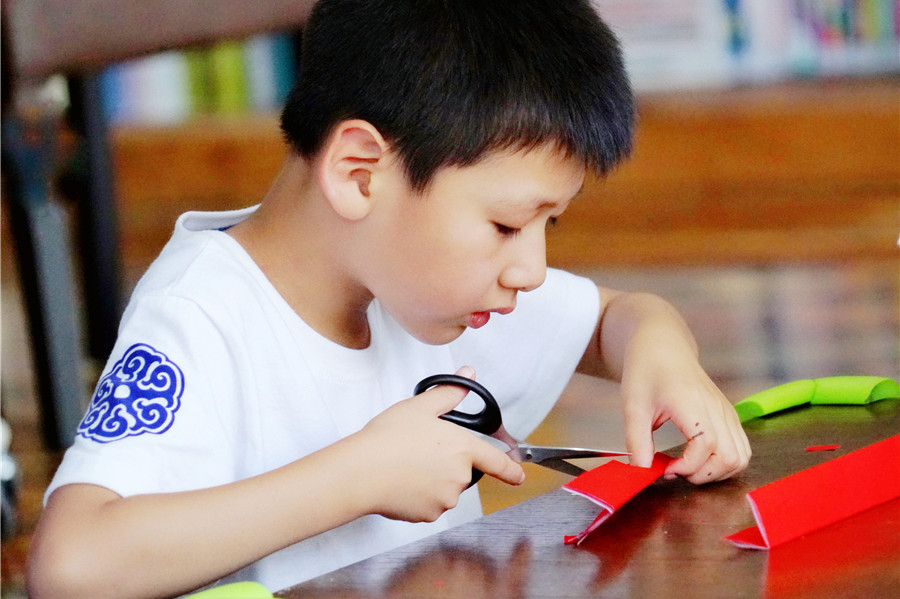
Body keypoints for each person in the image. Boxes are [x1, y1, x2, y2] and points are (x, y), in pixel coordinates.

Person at [27, 0, 751, 597]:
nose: (530, 268)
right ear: (360, 173)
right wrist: (357, 476)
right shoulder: (201, 313)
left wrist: (662, 345)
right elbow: (71, 564)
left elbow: (617, 318)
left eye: (546, 223)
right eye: (505, 224)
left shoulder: (419, 284)